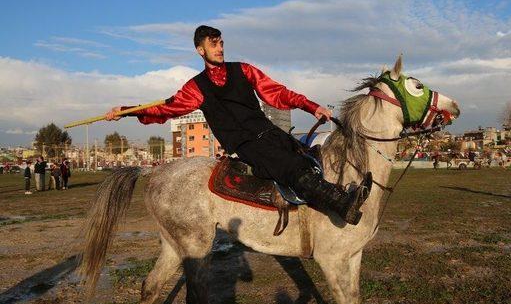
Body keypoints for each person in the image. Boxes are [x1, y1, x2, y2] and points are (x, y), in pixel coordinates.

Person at [105, 25, 371, 225]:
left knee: (307, 156)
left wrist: (312, 107)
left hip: (268, 132)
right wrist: (126, 112)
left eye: (221, 43)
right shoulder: (196, 87)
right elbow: (167, 107)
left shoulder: (244, 70)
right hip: (244, 144)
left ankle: (333, 197)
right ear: (201, 50)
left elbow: (277, 93)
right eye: (213, 44)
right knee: (288, 166)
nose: (220, 48)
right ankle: (342, 203)